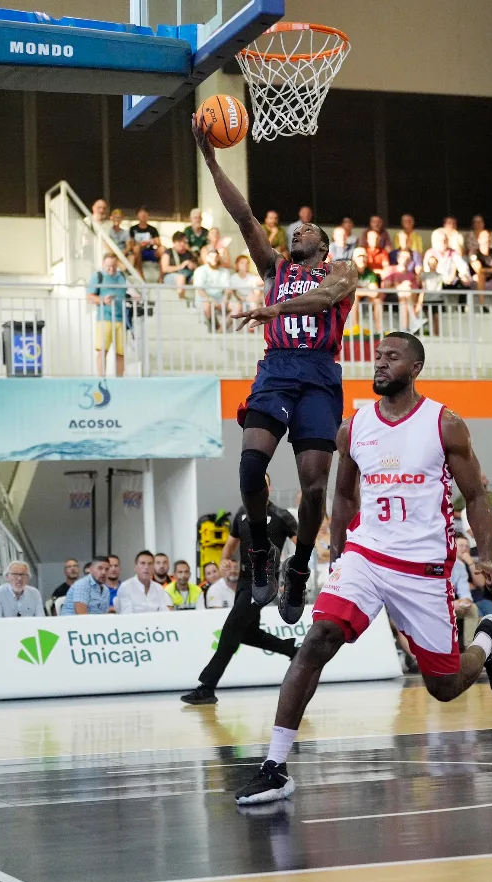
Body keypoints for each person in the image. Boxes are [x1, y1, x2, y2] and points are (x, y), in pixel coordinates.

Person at [235, 332, 492, 805]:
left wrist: (485, 552)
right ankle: (275, 766)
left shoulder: (444, 424)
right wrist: (340, 553)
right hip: (366, 555)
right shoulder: (354, 427)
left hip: (421, 566)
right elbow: (343, 496)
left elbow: (476, 496)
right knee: (318, 637)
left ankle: (488, 641)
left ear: (416, 367)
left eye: (392, 357)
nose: (380, 363)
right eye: (377, 356)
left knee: (444, 686)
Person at [193, 115, 357, 625]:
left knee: (312, 488)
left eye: (304, 229)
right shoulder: (274, 269)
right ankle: (260, 549)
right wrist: (211, 159)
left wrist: (277, 310)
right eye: (293, 230)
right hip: (278, 369)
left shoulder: (342, 270)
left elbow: (327, 297)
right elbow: (242, 216)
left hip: (320, 374)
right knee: (248, 469)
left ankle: (302, 567)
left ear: (322, 245)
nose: (295, 231)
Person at [181, 473, 300, 705]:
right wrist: (224, 563)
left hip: (264, 581)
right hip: (243, 580)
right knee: (247, 633)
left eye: (263, 484)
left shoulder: (281, 516)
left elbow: (303, 545)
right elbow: (228, 548)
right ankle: (292, 650)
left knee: (231, 630)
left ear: (270, 487)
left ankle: (206, 687)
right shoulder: (241, 513)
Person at [86, 254, 132, 378]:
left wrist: (133, 298)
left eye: (113, 266)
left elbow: (125, 293)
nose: (111, 269)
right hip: (105, 318)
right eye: (108, 266)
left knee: (120, 353)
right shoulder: (98, 276)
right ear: (103, 264)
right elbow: (89, 296)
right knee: (102, 351)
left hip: (120, 319)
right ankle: (102, 379)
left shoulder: (121, 276)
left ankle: (120, 380)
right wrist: (102, 300)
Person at [160, 231, 198, 299]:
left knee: (198, 278)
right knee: (181, 278)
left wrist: (192, 266)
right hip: (172, 277)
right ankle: (181, 300)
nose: (182, 244)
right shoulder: (169, 252)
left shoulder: (189, 253)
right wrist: (180, 266)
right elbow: (165, 268)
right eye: (180, 242)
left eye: (184, 242)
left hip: (188, 276)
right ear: (174, 242)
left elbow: (197, 268)